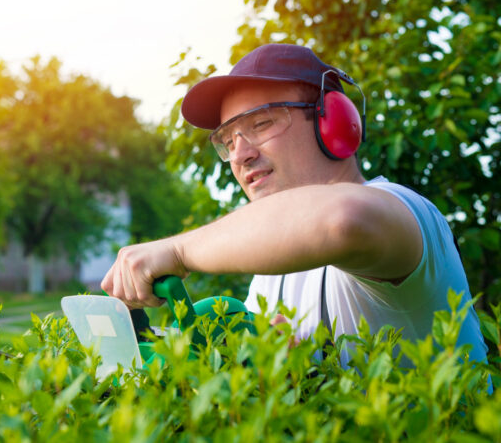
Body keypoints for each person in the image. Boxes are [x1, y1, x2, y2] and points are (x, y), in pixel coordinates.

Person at [100, 43, 488, 365]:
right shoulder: (272, 271)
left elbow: (342, 219)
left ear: (332, 122)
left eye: (261, 124)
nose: (241, 155)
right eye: (228, 140)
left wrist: (178, 250)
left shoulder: (402, 211)